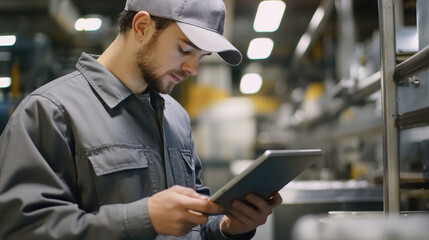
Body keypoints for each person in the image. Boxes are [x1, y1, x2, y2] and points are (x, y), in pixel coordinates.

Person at [0, 0, 282, 239]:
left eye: (202, 56)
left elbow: (194, 222)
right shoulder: (50, 112)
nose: (193, 68)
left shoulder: (175, 116)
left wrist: (226, 227)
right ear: (142, 27)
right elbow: (22, 229)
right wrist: (141, 218)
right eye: (185, 49)